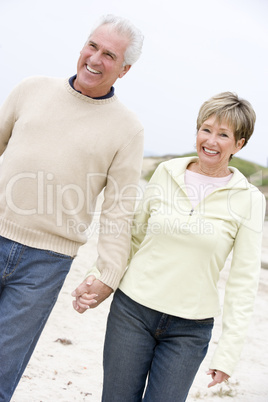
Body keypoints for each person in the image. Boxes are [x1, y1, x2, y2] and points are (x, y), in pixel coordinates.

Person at [74, 92, 266, 401]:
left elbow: (244, 282)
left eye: (223, 134)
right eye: (206, 129)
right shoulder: (166, 173)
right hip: (132, 311)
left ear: (239, 144)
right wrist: (100, 275)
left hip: (190, 330)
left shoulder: (249, 199)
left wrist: (227, 353)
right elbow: (133, 237)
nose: (211, 141)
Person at [0, 14, 144, 401]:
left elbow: (118, 208)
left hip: (45, 262)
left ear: (124, 69)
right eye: (92, 46)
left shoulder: (127, 129)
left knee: (2, 364)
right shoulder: (30, 89)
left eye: (109, 55)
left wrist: (108, 273)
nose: (95, 59)